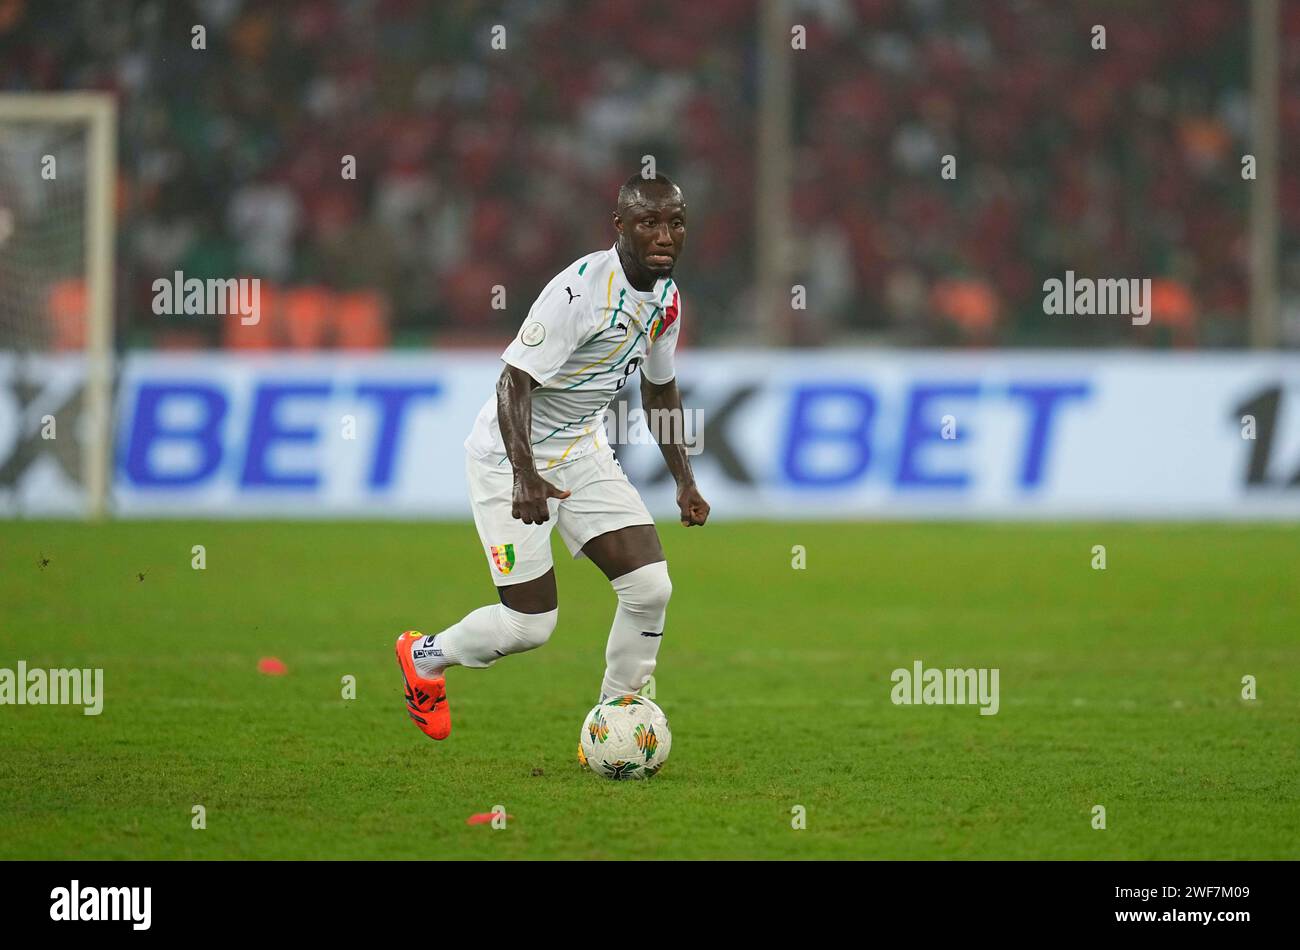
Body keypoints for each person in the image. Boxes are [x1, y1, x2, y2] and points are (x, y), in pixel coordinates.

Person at [395, 173, 710, 740]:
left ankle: (617, 717)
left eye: (676, 223)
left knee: (650, 588)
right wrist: (524, 476)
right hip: (507, 457)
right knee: (530, 625)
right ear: (620, 228)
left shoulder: (667, 298)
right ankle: (425, 656)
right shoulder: (581, 293)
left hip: (581, 449)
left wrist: (684, 479)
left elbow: (659, 389)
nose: (664, 235)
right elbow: (513, 381)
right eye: (649, 223)